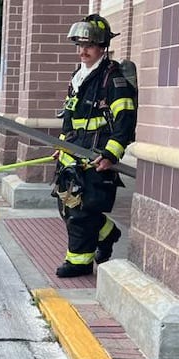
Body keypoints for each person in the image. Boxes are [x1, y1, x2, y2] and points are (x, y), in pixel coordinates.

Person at [52, 14, 138, 278]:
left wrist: (111, 154)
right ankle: (108, 233)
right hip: (73, 155)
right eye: (79, 45)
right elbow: (70, 117)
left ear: (102, 47)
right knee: (67, 206)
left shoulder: (112, 79)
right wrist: (63, 144)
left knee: (81, 212)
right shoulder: (79, 76)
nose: (83, 51)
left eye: (89, 45)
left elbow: (125, 120)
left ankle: (78, 262)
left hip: (95, 157)